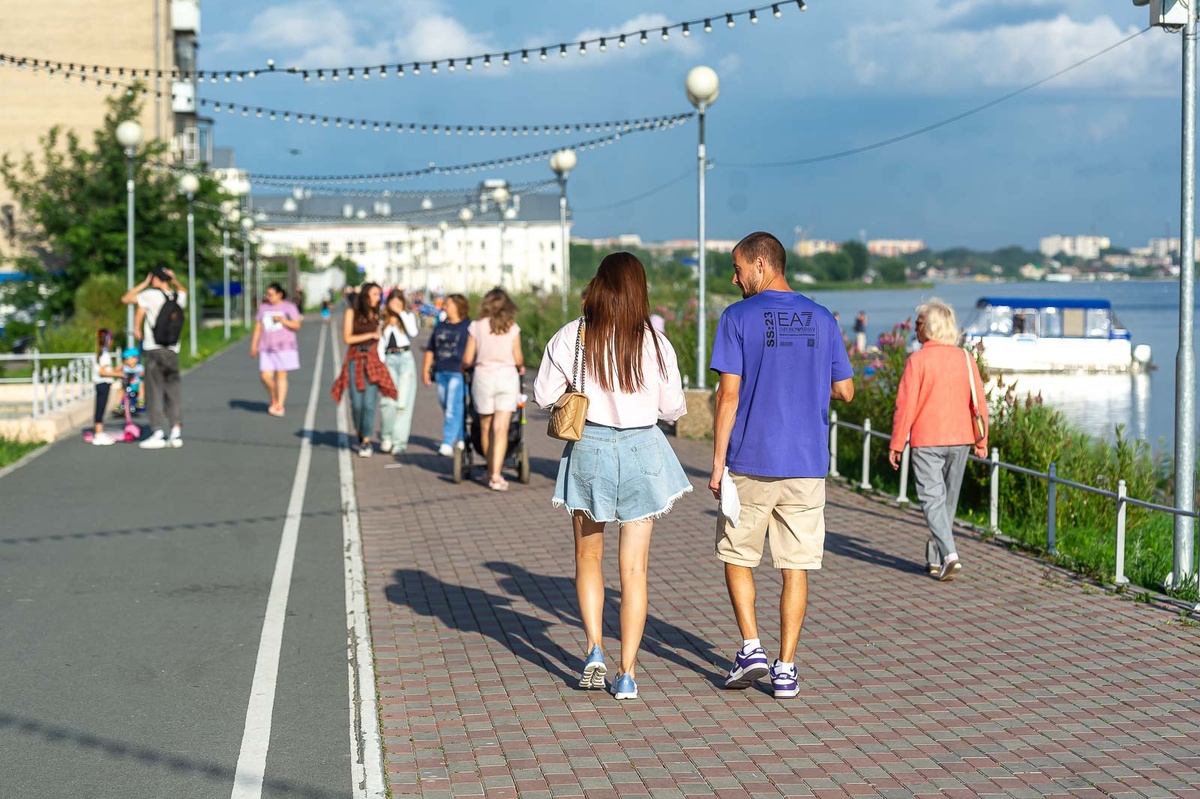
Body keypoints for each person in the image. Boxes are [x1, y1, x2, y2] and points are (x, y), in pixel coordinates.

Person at [534, 252, 690, 701]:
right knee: (634, 570)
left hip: (591, 449)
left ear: (599, 284)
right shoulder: (657, 343)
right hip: (643, 450)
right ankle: (627, 673)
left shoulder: (575, 334)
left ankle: (594, 649)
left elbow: (543, 394)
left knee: (588, 558)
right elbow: (672, 408)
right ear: (640, 289)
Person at [709, 231, 855, 700]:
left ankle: (751, 647)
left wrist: (716, 464)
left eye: (737, 269)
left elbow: (727, 397)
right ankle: (786, 668)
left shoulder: (736, 318)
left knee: (737, 554)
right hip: (807, 462)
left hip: (751, 459)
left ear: (760, 264)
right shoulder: (823, 319)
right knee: (797, 567)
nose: (734, 279)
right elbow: (845, 390)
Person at [888, 299, 989, 581]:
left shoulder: (917, 361)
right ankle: (935, 559)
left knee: (932, 500)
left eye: (919, 323)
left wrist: (896, 444)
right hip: (960, 439)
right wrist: (982, 441)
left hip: (927, 439)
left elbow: (904, 407)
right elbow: (979, 404)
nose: (916, 328)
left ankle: (949, 554)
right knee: (947, 502)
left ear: (930, 327)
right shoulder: (966, 359)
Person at [463, 288, 525, 491]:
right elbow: (518, 359)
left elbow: (467, 358)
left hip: (483, 378)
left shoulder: (476, 326)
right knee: (502, 428)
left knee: (486, 426)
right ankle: (497, 476)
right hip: (507, 378)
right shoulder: (512, 327)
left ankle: (490, 471)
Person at [121, 266, 188, 450]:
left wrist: (143, 283)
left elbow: (126, 299)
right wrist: (174, 280)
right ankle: (175, 432)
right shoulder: (177, 297)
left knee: (153, 391)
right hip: (172, 350)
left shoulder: (149, 295)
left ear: (155, 279)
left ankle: (157, 432)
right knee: (172, 391)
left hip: (154, 349)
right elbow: (184, 291)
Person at [331, 283, 397, 457]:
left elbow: (394, 320)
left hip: (373, 359)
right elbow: (347, 337)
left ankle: (366, 440)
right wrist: (370, 335)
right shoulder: (351, 313)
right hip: (355, 358)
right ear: (366, 295)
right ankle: (360, 431)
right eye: (375, 294)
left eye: (380, 295)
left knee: (369, 403)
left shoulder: (379, 314)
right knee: (357, 403)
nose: (378, 298)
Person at [422, 294, 471, 456]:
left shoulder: (468, 326)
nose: (444, 307)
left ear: (458, 306)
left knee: (453, 407)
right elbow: (430, 349)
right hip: (441, 370)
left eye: (448, 304)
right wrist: (426, 369)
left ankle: (448, 442)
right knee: (447, 405)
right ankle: (462, 436)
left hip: (458, 372)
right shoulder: (441, 325)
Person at [250, 283, 304, 417]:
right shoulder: (264, 308)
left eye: (271, 295)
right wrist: (254, 345)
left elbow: (297, 326)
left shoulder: (289, 307)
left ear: (279, 294)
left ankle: (280, 404)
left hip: (284, 347)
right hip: (267, 347)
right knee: (265, 376)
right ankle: (274, 395)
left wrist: (282, 320)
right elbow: (258, 328)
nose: (269, 297)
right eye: (267, 295)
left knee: (281, 376)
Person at [378, 289, 420, 455]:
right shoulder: (383, 320)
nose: (395, 306)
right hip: (389, 358)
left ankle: (399, 441)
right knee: (388, 401)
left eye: (398, 302)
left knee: (403, 402)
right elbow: (381, 343)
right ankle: (386, 436)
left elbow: (413, 332)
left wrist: (401, 313)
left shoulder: (407, 317)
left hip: (405, 358)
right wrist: (381, 364)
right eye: (392, 303)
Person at [88, 329, 123, 445]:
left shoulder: (100, 354)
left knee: (101, 407)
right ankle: (98, 433)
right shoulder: (104, 355)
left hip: (101, 383)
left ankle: (99, 432)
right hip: (103, 383)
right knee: (100, 408)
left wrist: (121, 367)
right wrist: (119, 374)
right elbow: (103, 372)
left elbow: (108, 370)